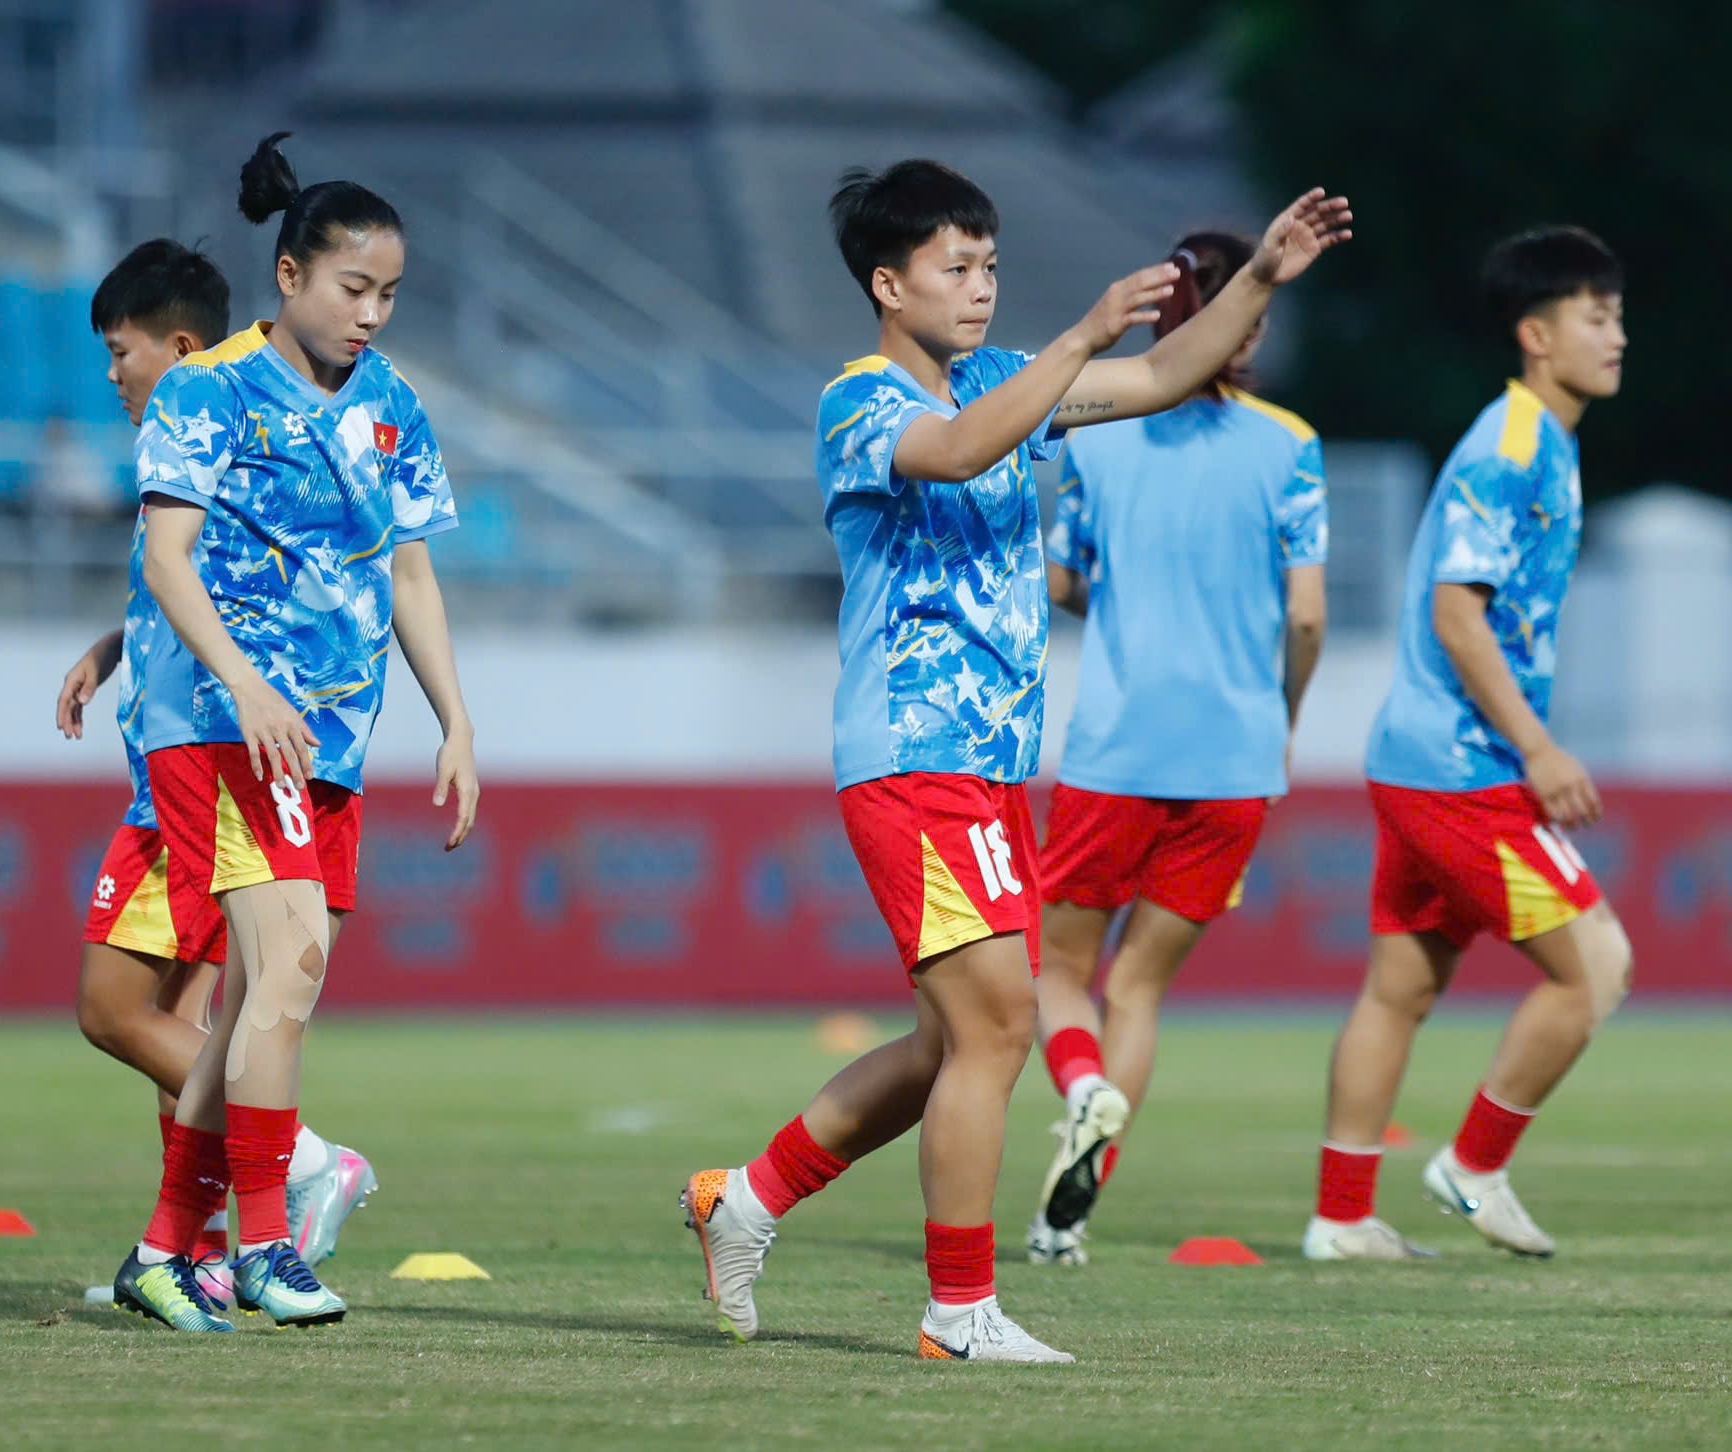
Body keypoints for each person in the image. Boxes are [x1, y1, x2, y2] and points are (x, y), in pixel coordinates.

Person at [678, 160, 1348, 1362]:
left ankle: (749, 1197)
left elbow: (1161, 375)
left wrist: (1257, 278)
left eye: (990, 265)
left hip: (988, 771)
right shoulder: (858, 400)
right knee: (997, 1029)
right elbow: (951, 451)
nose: (982, 287)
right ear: (888, 286)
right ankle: (958, 1311)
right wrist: (1080, 334)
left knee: (950, 1045)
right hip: (912, 756)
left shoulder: (1002, 378)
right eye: (956, 267)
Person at [110, 134, 479, 1333]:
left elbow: (409, 572)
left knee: (256, 1002)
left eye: (388, 293)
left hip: (328, 740)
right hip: (223, 726)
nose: (371, 313)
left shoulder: (392, 405)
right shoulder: (207, 390)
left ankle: (165, 1247)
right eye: (352, 287)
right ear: (289, 276)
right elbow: (166, 560)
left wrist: (455, 720)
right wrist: (244, 682)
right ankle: (267, 1243)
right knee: (291, 969)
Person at [55, 239, 375, 1310]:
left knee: (113, 1008)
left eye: (122, 351)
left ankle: (301, 1158)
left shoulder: (212, 429)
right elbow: (180, 595)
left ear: (181, 347)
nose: (113, 374)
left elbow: (240, 593)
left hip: (201, 768)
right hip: (177, 757)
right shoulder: (186, 448)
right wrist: (113, 648)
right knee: (184, 1013)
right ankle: (190, 1250)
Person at [1304, 228, 1632, 1263]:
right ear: (1537, 334)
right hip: (1460, 767)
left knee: (1399, 990)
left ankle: (1341, 1218)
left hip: (1422, 758)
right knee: (1596, 967)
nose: (1617, 336)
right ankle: (1474, 1166)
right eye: (1595, 317)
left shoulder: (1548, 441)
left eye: (1617, 316)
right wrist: (1540, 749)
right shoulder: (1512, 447)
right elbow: (1458, 616)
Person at [1024, 230, 1330, 1268]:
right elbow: (1307, 617)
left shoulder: (1099, 436)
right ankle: (1069, 1216)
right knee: (1140, 989)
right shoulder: (1290, 444)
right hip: (1236, 759)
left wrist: (1120, 596)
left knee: (1056, 968)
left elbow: (1063, 579)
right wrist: (1283, 720)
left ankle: (1081, 1087)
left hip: (1118, 747)